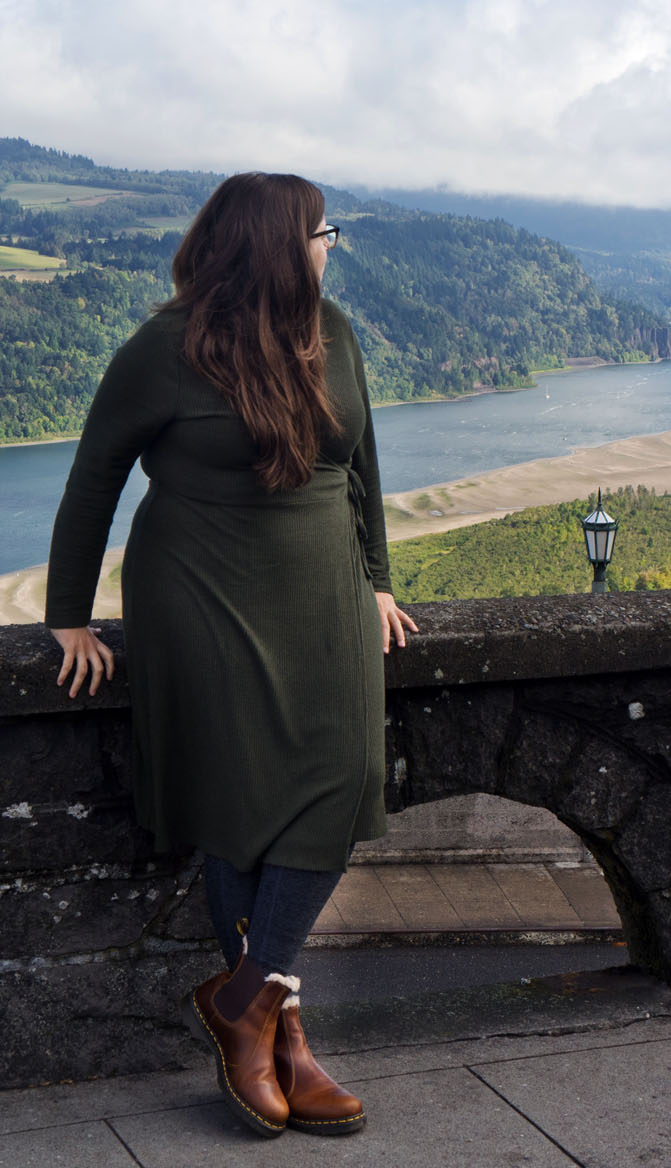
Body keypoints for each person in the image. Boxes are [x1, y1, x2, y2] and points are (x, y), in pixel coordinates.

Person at [45, 171, 417, 1138]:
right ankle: (282, 1038)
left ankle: (246, 999)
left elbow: (364, 465)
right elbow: (92, 480)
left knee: (344, 776)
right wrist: (68, 616)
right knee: (233, 798)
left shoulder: (335, 334)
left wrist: (378, 578)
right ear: (275, 244)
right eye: (322, 230)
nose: (331, 244)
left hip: (325, 586)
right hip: (198, 594)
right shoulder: (164, 350)